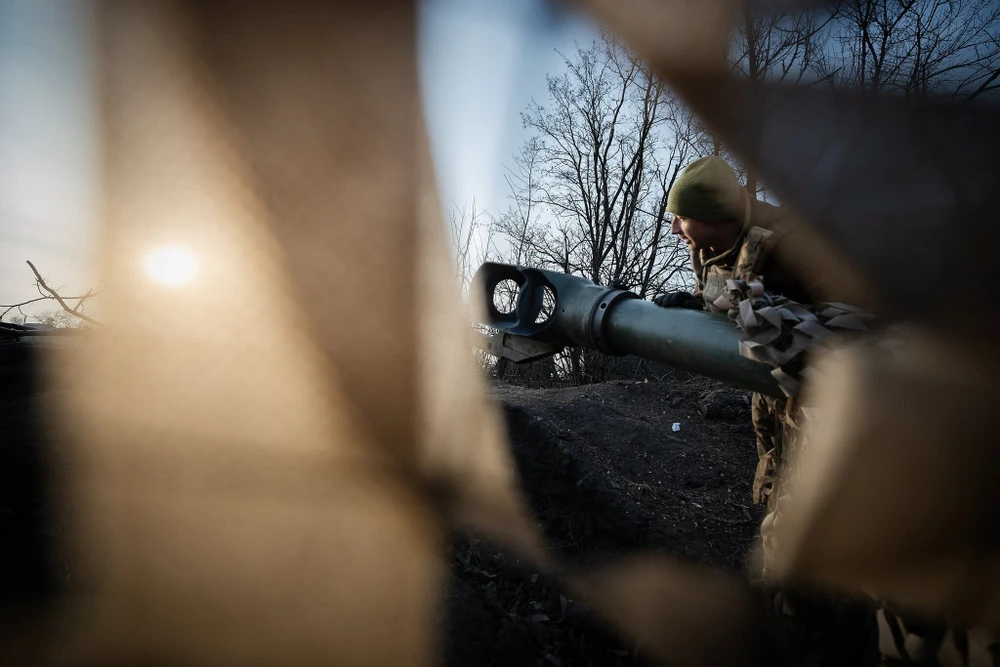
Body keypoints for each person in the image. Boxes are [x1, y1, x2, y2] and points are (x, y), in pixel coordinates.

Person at [654, 156, 880, 665]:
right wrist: (699, 309)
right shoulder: (717, 243)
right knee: (778, 488)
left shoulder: (791, 243)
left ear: (710, 213)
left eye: (679, 216)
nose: (673, 228)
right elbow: (734, 303)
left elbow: (855, 325)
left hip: (832, 406)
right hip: (779, 397)